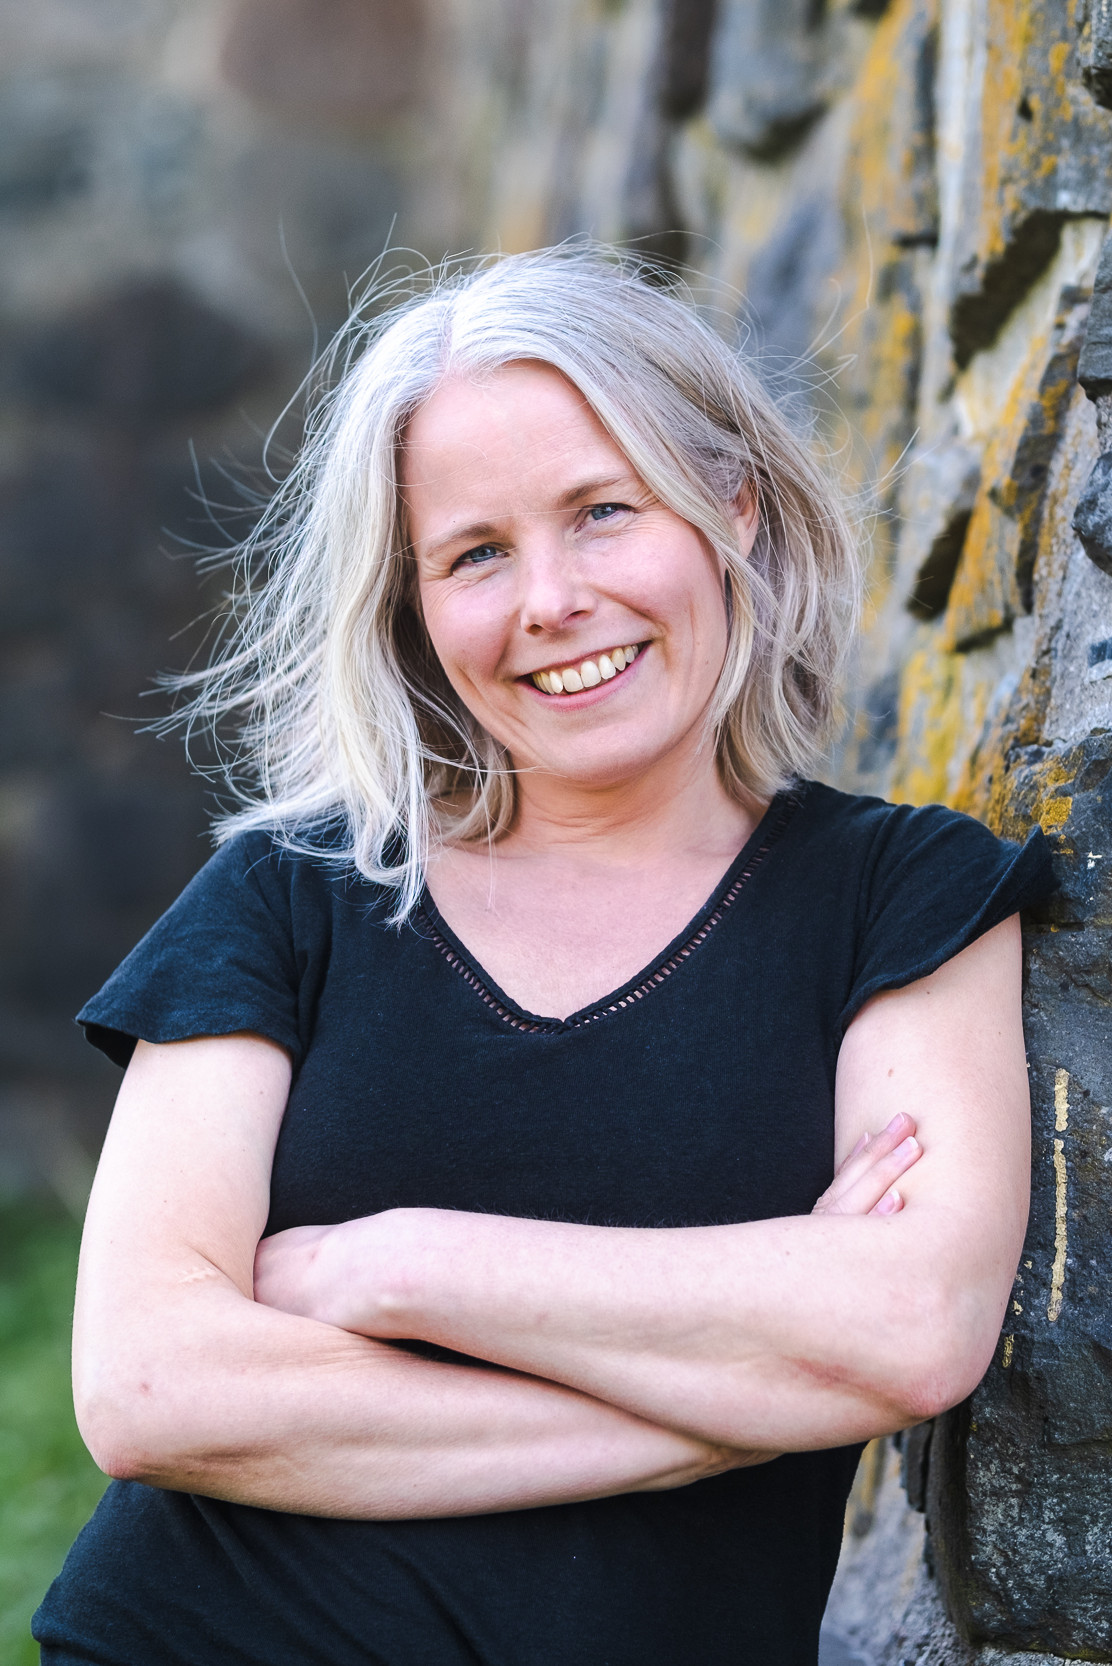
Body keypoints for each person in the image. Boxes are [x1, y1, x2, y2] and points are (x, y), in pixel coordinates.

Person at [35, 248, 1053, 1666]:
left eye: (602, 512)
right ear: (413, 606)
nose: (551, 600)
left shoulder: (901, 896)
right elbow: (149, 1386)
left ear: (732, 509)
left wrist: (407, 1266)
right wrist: (725, 1404)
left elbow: (912, 1324)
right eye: (476, 553)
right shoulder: (289, 896)